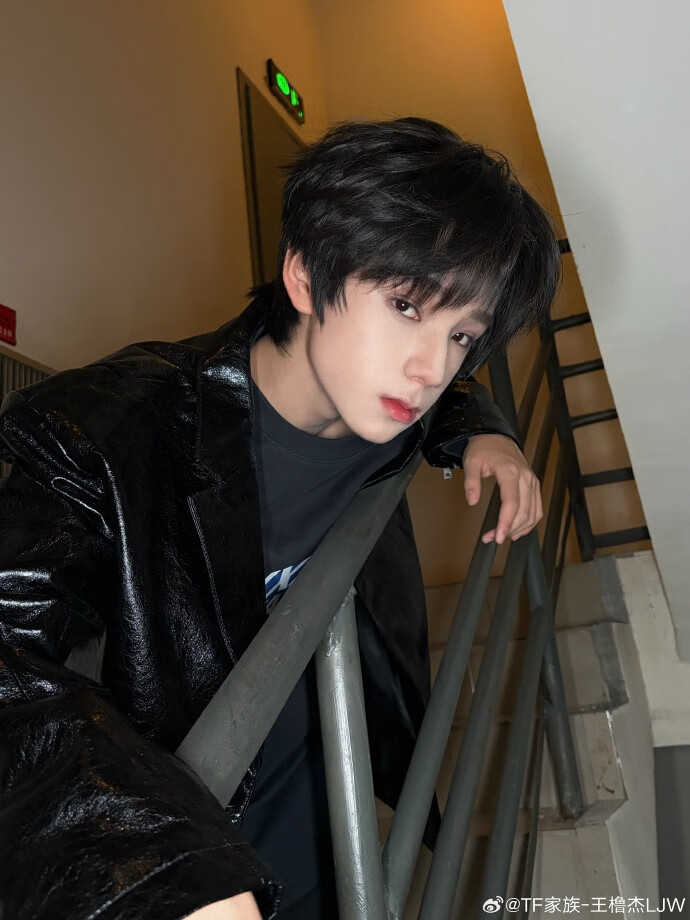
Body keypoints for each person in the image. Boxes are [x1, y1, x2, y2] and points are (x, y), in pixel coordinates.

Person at [0, 117, 560, 919]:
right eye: (405, 304)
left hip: (320, 821)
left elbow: (449, 396)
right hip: (187, 840)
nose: (431, 367)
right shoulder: (113, 428)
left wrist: (488, 434)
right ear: (303, 275)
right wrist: (160, 856)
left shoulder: (392, 405)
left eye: (462, 335)